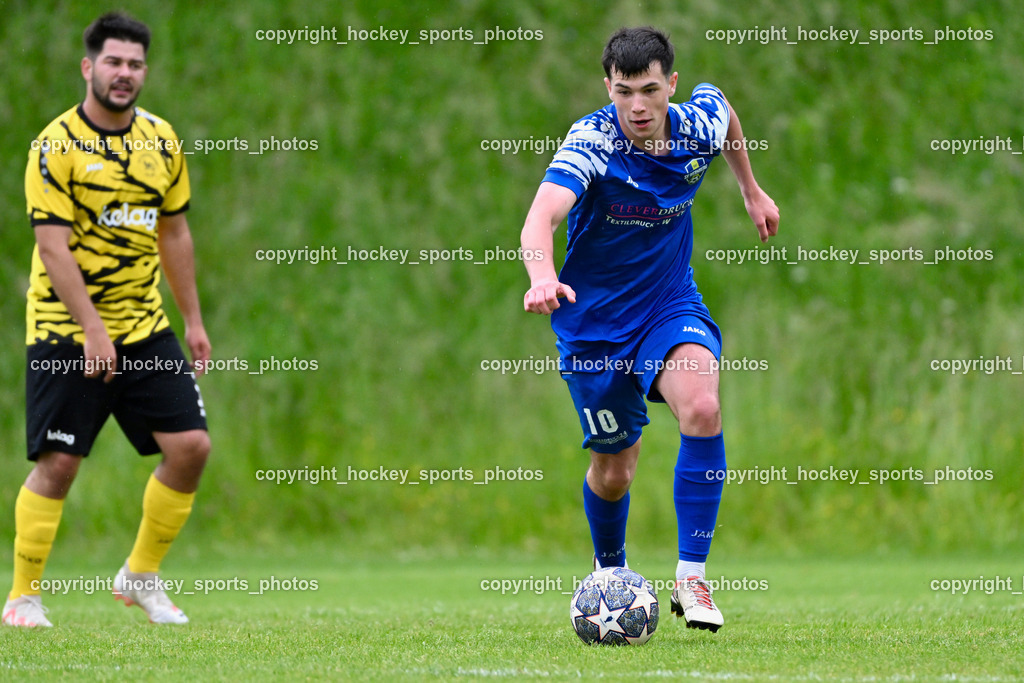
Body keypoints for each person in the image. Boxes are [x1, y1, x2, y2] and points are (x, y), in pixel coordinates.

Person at [520, 26, 779, 632]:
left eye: (649, 90)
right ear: (606, 87)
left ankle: (692, 577)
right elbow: (541, 218)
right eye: (623, 91)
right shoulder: (592, 141)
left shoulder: (698, 122)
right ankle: (609, 575)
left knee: (703, 406)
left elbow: (731, 118)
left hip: (668, 302)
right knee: (616, 469)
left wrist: (751, 190)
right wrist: (540, 276)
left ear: (672, 85)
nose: (637, 107)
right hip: (593, 325)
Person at [3, 12, 211, 627]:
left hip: (144, 327)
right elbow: (51, 247)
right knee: (60, 462)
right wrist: (93, 330)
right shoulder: (56, 145)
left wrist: (192, 319)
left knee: (191, 448)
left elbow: (174, 232)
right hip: (66, 329)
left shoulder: (161, 140)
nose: (125, 74)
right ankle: (22, 597)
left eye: (136, 64)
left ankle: (139, 575)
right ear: (89, 67)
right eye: (114, 62)